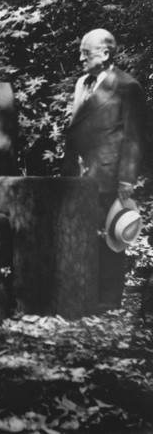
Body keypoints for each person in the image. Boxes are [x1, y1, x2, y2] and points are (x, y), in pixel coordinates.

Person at [61, 28, 146, 312]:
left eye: (86, 53)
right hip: (79, 173)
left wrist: (127, 178)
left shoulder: (127, 87)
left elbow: (135, 136)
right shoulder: (82, 83)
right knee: (82, 235)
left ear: (106, 54)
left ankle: (109, 300)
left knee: (110, 237)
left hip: (109, 176)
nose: (80, 57)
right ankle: (85, 292)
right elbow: (75, 129)